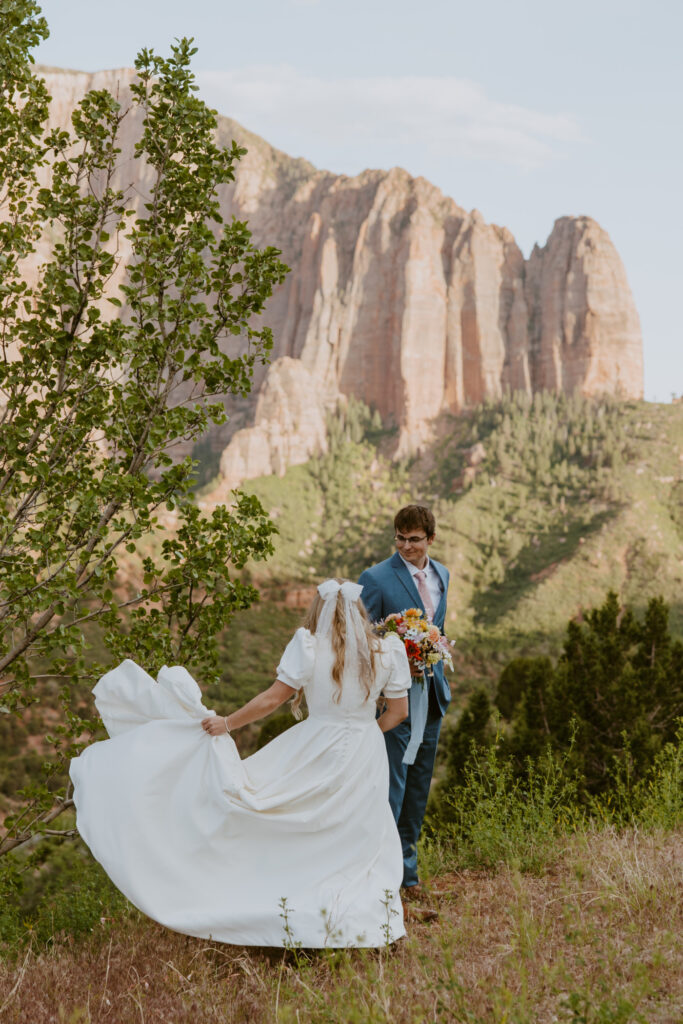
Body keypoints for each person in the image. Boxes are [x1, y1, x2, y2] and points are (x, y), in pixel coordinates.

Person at [69, 579, 411, 948]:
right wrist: (365, 733)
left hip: (316, 744)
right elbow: (399, 713)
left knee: (292, 816)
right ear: (361, 613)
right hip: (366, 748)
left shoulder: (309, 646)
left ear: (319, 611)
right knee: (357, 830)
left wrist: (227, 723)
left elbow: (272, 700)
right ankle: (365, 922)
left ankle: (299, 912)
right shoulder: (388, 651)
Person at [358, 505, 450, 890]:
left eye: (413, 539)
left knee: (417, 789)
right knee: (392, 787)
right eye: (399, 537)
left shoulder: (442, 573)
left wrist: (434, 656)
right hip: (393, 701)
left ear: (430, 538)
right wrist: (396, 664)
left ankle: (407, 877)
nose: (405, 546)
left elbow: (439, 629)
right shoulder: (376, 578)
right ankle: (379, 880)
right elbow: (362, 638)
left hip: (431, 696)